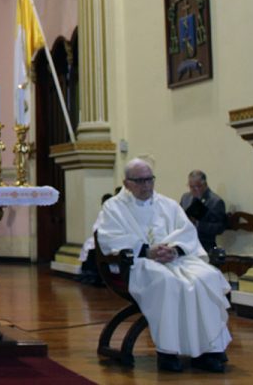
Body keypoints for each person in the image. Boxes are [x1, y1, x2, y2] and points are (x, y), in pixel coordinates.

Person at [96, 158, 231, 373]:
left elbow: (186, 232)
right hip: (138, 264)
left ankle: (209, 350)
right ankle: (168, 353)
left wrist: (175, 249)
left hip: (175, 260)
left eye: (149, 180)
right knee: (167, 281)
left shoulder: (168, 204)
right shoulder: (114, 207)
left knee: (207, 277)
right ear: (126, 182)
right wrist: (146, 251)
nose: (146, 186)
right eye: (139, 181)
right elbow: (108, 239)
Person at [179, 169, 227, 255]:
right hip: (185, 243)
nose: (194, 190)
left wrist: (197, 224)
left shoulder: (216, 201)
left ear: (205, 184)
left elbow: (220, 228)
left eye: (198, 186)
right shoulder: (185, 198)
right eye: (191, 187)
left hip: (205, 245)